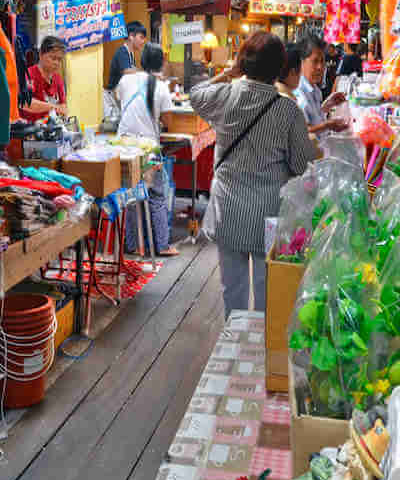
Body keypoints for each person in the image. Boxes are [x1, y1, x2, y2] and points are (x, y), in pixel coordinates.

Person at [190, 32, 315, 315]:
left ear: (244, 62)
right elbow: (303, 164)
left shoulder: (226, 94)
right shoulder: (288, 110)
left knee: (231, 292)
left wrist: (227, 74)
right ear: (279, 68)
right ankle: (261, 352)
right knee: (266, 294)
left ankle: (232, 343)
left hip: (228, 209)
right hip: (268, 214)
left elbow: (195, 96)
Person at [116, 44, 179, 257]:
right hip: (147, 149)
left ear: (141, 61)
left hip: (123, 147)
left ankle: (133, 244)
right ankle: (161, 245)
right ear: (161, 63)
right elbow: (168, 121)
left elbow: (120, 100)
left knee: (130, 196)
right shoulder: (161, 87)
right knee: (157, 195)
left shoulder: (125, 81)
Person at [294, 34, 349, 135]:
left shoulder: (315, 90)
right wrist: (328, 125)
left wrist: (326, 106)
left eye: (322, 61)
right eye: (315, 61)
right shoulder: (298, 94)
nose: (320, 67)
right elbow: (301, 133)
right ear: (301, 62)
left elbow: (314, 118)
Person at [21, 36, 67, 121]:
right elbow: (25, 103)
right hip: (29, 130)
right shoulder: (29, 75)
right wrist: (54, 106)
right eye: (53, 58)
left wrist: (63, 110)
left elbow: (62, 104)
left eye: (59, 59)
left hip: (49, 129)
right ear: (40, 54)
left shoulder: (58, 79)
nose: (56, 63)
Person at [107, 21, 148, 91]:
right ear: (131, 36)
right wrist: (147, 74)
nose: (143, 41)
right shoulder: (122, 51)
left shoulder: (131, 54)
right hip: (113, 97)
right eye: (141, 37)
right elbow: (127, 71)